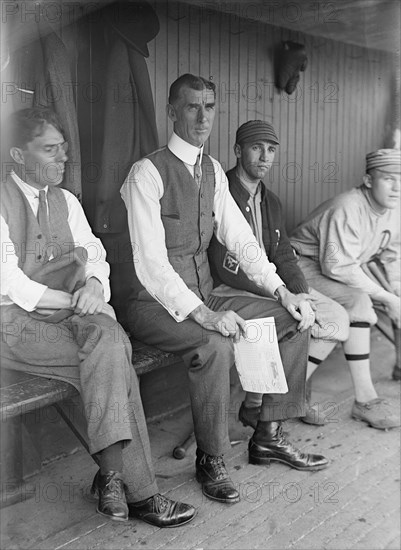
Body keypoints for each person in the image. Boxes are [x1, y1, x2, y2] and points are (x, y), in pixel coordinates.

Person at [121, 73, 329, 507]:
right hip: (152, 303)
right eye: (192, 106)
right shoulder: (148, 173)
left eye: (209, 106)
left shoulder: (213, 170)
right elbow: (151, 265)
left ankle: (268, 433)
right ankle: (211, 458)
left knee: (292, 318)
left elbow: (241, 239)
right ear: (172, 111)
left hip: (205, 291)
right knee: (214, 344)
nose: (202, 117)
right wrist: (204, 314)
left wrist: (282, 291)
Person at [0, 107, 196, 527]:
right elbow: (10, 283)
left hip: (71, 311)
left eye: (64, 149)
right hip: (15, 325)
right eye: (50, 150)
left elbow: (96, 253)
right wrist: (76, 301)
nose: (62, 158)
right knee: (113, 355)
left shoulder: (66, 201)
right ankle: (137, 490)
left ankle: (113, 479)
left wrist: (92, 285)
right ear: (17, 154)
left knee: (108, 346)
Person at [208, 120, 353, 427]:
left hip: (276, 288)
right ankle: (267, 411)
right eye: (256, 147)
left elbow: (284, 255)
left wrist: (300, 292)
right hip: (228, 291)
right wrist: (281, 295)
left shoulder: (271, 201)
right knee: (289, 318)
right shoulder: (221, 193)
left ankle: (269, 399)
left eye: (271, 149)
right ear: (237, 150)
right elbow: (223, 264)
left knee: (335, 319)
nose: (265, 156)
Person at [291, 148, 401, 429]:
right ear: (367, 180)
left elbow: (391, 256)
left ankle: (363, 399)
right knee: (359, 302)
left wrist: (397, 294)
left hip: (332, 268)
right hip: (298, 266)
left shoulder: (393, 209)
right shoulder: (348, 207)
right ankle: (282, 397)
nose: (397, 187)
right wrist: (386, 297)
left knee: (361, 302)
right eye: (388, 178)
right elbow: (337, 267)